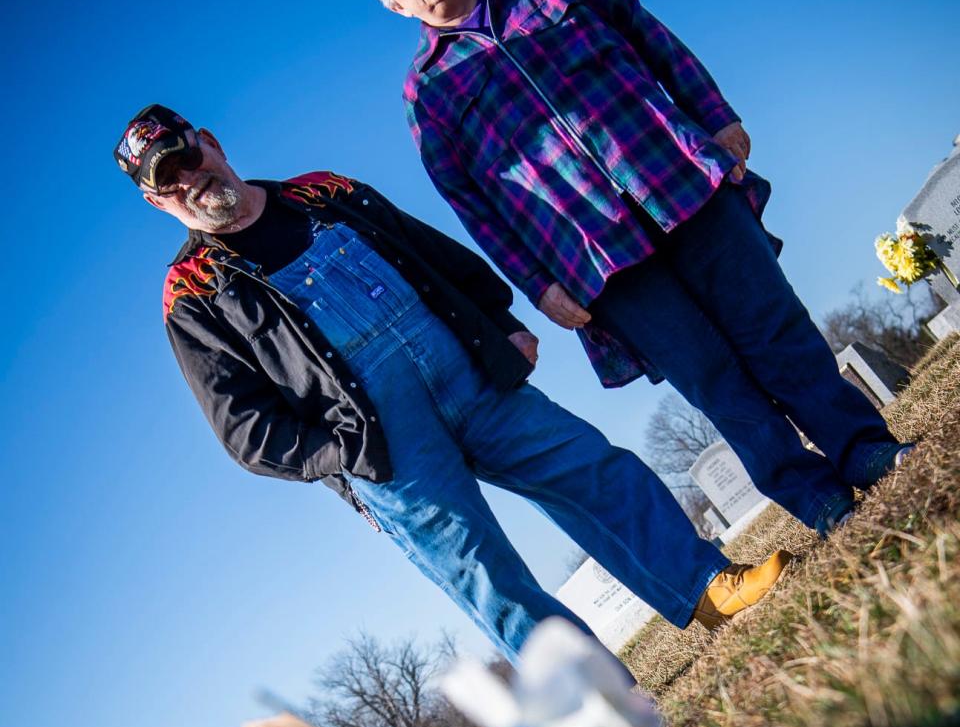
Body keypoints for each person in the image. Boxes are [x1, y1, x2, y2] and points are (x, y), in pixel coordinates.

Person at [113, 104, 790, 662]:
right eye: (166, 183)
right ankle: (604, 713)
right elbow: (246, 431)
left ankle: (707, 585)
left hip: (469, 373)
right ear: (154, 201)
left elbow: (429, 251)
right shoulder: (191, 294)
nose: (187, 181)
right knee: (486, 575)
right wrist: (345, 454)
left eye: (187, 159)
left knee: (591, 467)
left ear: (211, 142)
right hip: (386, 452)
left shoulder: (325, 192)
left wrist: (499, 320)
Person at [351, 0, 913, 540]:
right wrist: (540, 287)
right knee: (710, 377)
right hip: (595, 256)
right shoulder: (427, 93)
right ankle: (818, 499)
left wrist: (714, 114)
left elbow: (647, 32)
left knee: (775, 327)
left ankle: (864, 450)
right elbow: (472, 204)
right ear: (394, 6)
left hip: (677, 179)